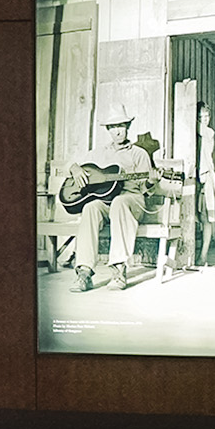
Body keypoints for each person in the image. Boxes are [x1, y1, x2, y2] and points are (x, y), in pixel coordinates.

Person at [63, 106, 154, 292]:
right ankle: (84, 273)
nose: (117, 131)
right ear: (108, 130)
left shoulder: (139, 153)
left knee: (120, 202)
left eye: (121, 126)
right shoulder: (98, 153)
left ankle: (118, 270)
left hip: (132, 201)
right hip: (107, 203)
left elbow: (146, 190)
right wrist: (74, 168)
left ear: (128, 126)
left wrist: (151, 181)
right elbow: (69, 164)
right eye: (113, 127)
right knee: (90, 207)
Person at [197, 102, 215, 266]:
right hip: (195, 178)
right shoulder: (195, 133)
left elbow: (199, 129)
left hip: (206, 178)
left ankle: (203, 255)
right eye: (200, 117)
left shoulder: (208, 132)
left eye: (206, 116)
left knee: (206, 219)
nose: (204, 119)